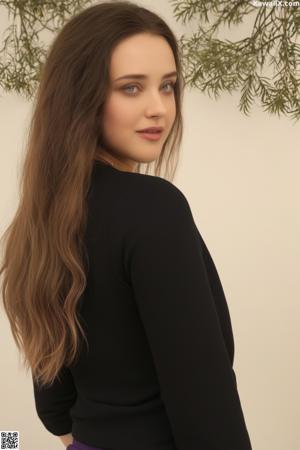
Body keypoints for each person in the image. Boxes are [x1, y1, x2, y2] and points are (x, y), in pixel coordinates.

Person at [0, 1, 253, 450]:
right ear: (81, 96)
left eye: (168, 86)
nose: (159, 107)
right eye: (132, 88)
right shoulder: (154, 209)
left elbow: (53, 402)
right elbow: (205, 401)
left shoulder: (40, 219)